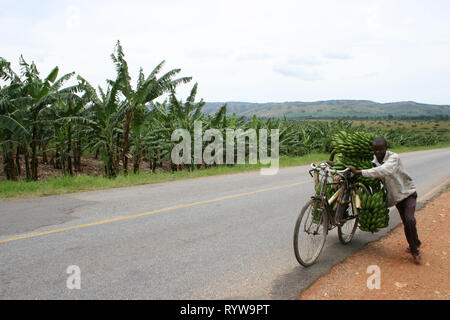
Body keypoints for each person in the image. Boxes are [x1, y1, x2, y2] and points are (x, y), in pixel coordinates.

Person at [346, 137, 422, 264]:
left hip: (408, 193)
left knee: (409, 219)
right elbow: (374, 175)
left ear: (386, 148)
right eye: (375, 150)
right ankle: (416, 241)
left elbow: (384, 170)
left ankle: (415, 251)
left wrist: (359, 172)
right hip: (396, 198)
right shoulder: (373, 161)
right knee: (406, 222)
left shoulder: (394, 158)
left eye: (381, 149)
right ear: (372, 149)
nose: (378, 152)